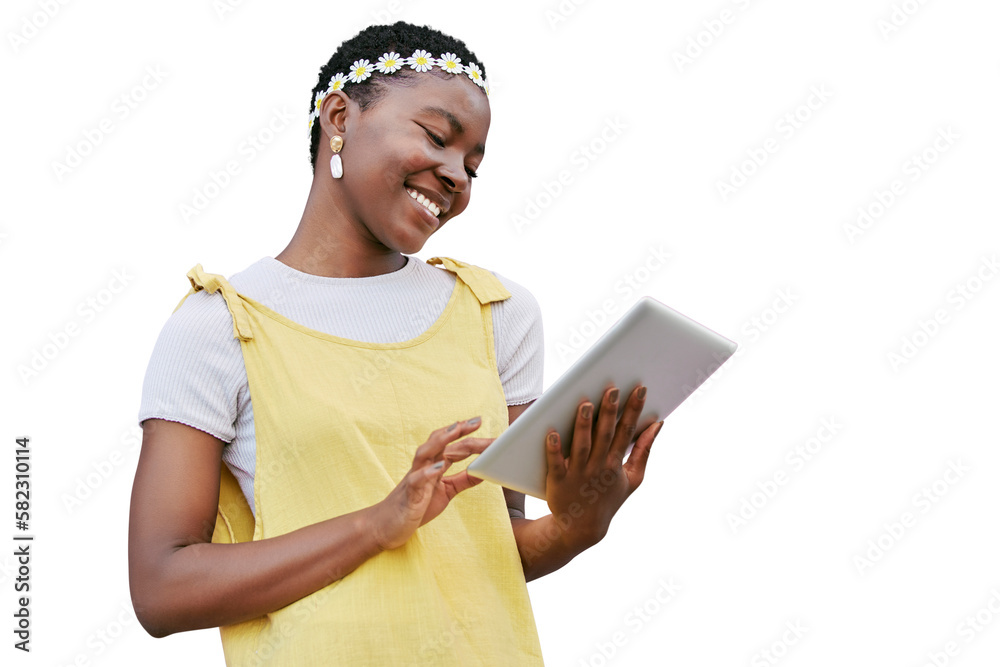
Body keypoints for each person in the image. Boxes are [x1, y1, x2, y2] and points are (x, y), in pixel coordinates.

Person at [128, 21, 664, 665]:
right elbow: (161, 588)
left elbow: (497, 545)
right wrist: (373, 527)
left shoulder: (497, 314)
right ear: (338, 118)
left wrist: (576, 528)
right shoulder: (219, 326)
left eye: (472, 163)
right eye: (437, 138)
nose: (456, 176)